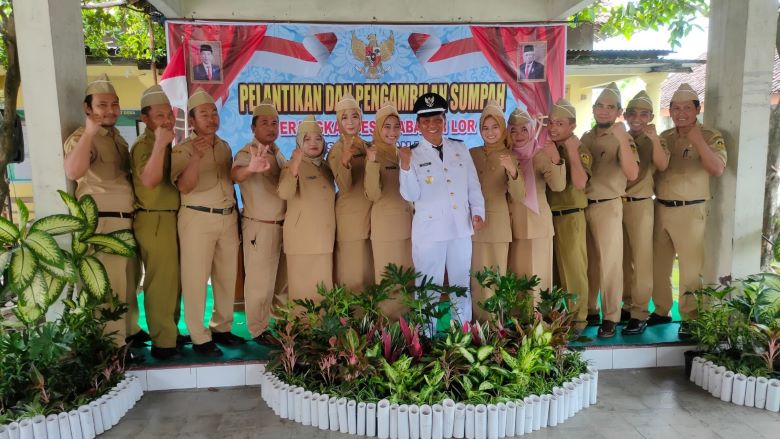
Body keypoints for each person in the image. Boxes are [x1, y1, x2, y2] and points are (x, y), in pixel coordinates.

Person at [63, 74, 143, 358]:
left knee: (129, 280)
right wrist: (88, 133)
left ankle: (129, 331)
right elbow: (73, 171)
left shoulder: (116, 137)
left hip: (125, 220)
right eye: (102, 105)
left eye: (114, 104)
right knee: (110, 286)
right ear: (88, 108)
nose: (110, 110)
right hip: (103, 222)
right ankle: (113, 348)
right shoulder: (82, 137)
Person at [399, 92, 485, 326]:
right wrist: (405, 166)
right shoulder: (412, 154)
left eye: (437, 119)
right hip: (429, 231)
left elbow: (472, 185)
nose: (432, 125)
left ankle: (461, 334)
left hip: (460, 227)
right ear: (417, 125)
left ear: (445, 121)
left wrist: (478, 211)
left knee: (460, 283)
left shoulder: (460, 148)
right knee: (428, 286)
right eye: (426, 121)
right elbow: (410, 195)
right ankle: (425, 336)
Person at [171, 88, 245, 357]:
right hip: (197, 218)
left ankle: (222, 326)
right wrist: (196, 158)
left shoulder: (224, 146)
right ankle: (199, 336)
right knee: (196, 279)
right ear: (191, 121)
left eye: (214, 113)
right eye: (204, 114)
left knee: (226, 276)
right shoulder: (183, 150)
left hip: (227, 217)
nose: (212, 118)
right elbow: (184, 186)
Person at [653, 83, 727, 339]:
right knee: (658, 266)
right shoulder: (666, 136)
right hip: (661, 207)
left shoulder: (710, 135)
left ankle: (690, 317)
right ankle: (661, 310)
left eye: (687, 108)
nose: (681, 113)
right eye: (676, 108)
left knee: (690, 269)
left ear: (697, 110)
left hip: (691, 210)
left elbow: (717, 169)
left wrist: (698, 141)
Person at [581, 82, 639, 338]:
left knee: (610, 264)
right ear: (593, 108)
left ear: (618, 112)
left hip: (608, 205)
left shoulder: (622, 138)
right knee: (589, 262)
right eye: (600, 106)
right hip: (583, 205)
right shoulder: (586, 137)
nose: (604, 110)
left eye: (610, 107)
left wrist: (623, 138)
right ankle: (590, 309)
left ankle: (611, 316)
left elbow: (632, 173)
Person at [130, 85, 183, 360]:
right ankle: (163, 342)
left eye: (169, 114)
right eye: (159, 115)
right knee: (160, 280)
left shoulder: (165, 143)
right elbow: (150, 181)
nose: (167, 120)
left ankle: (170, 330)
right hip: (154, 219)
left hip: (171, 217)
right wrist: (161, 145)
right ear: (145, 118)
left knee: (173, 280)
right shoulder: (144, 146)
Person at [232, 98, 288, 342]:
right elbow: (236, 174)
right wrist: (251, 168)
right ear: (253, 127)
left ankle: (280, 324)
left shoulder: (277, 153)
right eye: (264, 123)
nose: (271, 127)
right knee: (259, 284)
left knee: (281, 284)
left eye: (274, 123)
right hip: (260, 227)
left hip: (283, 227)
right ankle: (257, 329)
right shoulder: (248, 152)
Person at [620, 91, 670, 335]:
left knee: (641, 261)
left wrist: (654, 139)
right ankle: (627, 305)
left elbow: (662, 165)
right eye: (632, 113)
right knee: (622, 260)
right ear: (625, 115)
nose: (637, 118)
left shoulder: (655, 139)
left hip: (640, 204)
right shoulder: (621, 137)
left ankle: (640, 312)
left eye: (643, 114)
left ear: (650, 117)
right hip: (616, 203)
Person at [469, 101, 524, 320]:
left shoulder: (510, 156)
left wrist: (512, 170)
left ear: (502, 128)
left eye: (495, 127)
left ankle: (496, 326)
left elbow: (519, 195)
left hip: (498, 225)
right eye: (485, 127)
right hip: (474, 224)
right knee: (477, 278)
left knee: (496, 276)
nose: (490, 132)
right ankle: (479, 326)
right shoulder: (472, 154)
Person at [507, 108, 566, 296]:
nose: (519, 135)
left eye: (524, 129)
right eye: (513, 130)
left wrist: (555, 158)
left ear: (532, 130)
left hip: (538, 225)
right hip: (512, 226)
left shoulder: (540, 155)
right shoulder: (506, 157)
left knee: (538, 278)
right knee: (516, 277)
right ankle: (518, 316)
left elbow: (558, 186)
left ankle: (538, 315)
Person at [545, 98, 591, 335]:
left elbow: (581, 183)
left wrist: (571, 151)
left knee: (573, 270)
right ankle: (555, 318)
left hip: (571, 216)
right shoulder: (545, 147)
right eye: (551, 122)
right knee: (550, 272)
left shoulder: (580, 149)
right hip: (547, 217)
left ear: (572, 125)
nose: (553, 128)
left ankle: (578, 321)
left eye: (560, 123)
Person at [278, 115, 336, 302]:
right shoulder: (291, 165)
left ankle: (323, 324)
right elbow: (284, 193)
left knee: (323, 294)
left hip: (325, 240)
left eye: (318, 138)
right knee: (302, 295)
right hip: (301, 241)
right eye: (307, 139)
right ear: (299, 143)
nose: (313, 143)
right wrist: (295, 165)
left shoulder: (326, 167)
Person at [364, 101, 413, 319]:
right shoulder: (372, 152)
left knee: (406, 280)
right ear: (377, 128)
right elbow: (372, 194)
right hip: (386, 228)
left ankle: (407, 330)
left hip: (408, 226)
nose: (392, 132)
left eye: (396, 126)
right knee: (388, 281)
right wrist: (371, 163)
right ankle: (388, 330)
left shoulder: (401, 153)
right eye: (387, 126)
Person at [327, 93, 374, 293]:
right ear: (338, 122)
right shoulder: (336, 150)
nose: (350, 122)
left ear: (361, 120)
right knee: (352, 276)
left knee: (369, 274)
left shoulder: (367, 146)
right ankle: (352, 314)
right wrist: (345, 161)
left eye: (355, 116)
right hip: (351, 221)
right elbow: (344, 187)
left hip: (372, 217)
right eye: (344, 117)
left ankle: (370, 315)